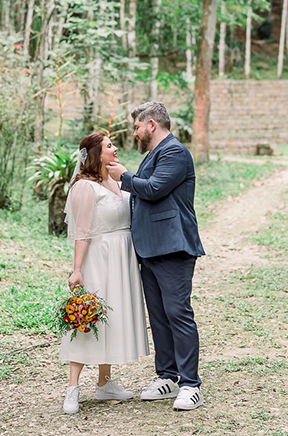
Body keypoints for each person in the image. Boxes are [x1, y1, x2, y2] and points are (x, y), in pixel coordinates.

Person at [107, 101, 205, 411]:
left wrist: (124, 176)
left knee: (178, 313)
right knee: (160, 317)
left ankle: (191, 384)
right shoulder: (153, 155)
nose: (134, 133)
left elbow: (153, 189)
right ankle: (168, 376)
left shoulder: (175, 152)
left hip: (173, 247)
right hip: (149, 248)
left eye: (137, 126)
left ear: (152, 125)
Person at [59, 132, 149, 415]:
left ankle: (104, 382)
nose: (116, 148)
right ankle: (72, 387)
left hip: (122, 258)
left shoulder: (117, 180)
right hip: (99, 258)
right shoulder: (85, 187)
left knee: (110, 320)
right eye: (110, 146)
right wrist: (76, 270)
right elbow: (82, 232)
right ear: (96, 153)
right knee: (89, 317)